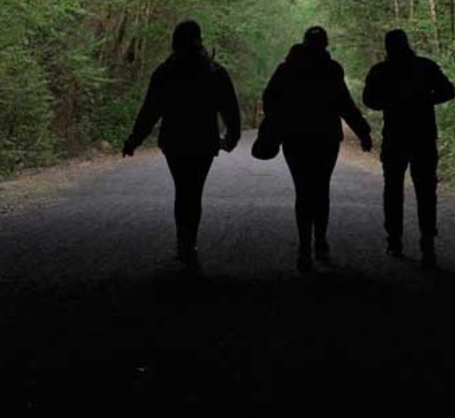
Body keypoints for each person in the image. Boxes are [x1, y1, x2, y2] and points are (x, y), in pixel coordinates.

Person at [123, 20, 242, 267]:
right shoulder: (214, 71)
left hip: (174, 141)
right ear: (200, 39)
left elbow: (150, 110)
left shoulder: (165, 72)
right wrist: (232, 137)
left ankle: (183, 241)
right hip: (203, 141)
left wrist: (135, 139)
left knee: (183, 190)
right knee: (194, 191)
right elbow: (230, 108)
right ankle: (189, 243)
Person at [261, 27, 373, 272]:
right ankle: (320, 242)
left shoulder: (286, 69)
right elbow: (345, 104)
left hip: (295, 138)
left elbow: (269, 99)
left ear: (303, 43)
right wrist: (363, 132)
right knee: (321, 189)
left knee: (303, 191)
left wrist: (279, 119)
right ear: (325, 45)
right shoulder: (332, 70)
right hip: (326, 139)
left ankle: (304, 248)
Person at [362, 28, 455, 267]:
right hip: (423, 136)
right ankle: (427, 243)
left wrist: (390, 102)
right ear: (407, 44)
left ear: (387, 47)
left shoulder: (380, 71)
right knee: (425, 189)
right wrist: (426, 99)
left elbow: (368, 100)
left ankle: (394, 241)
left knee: (392, 189)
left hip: (395, 137)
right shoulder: (426, 66)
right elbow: (448, 91)